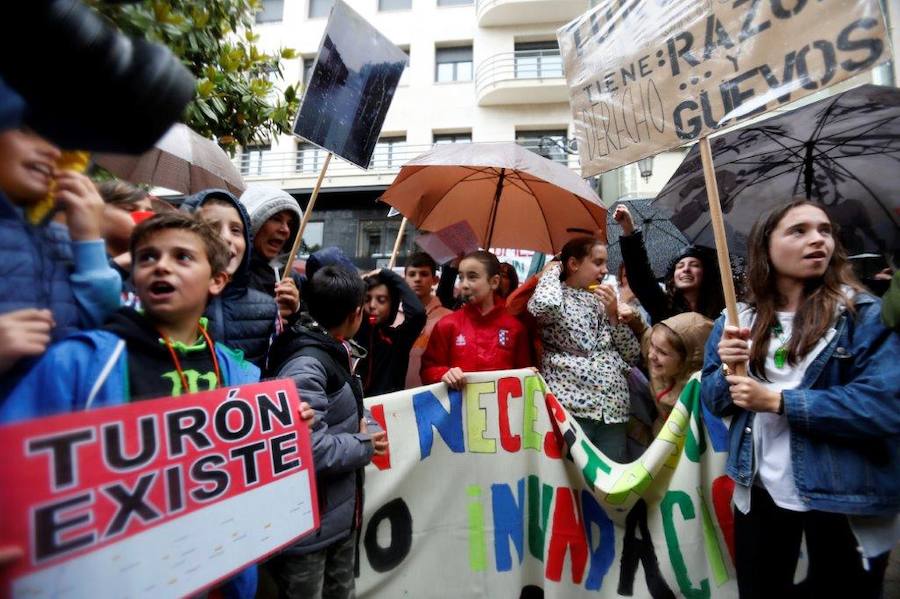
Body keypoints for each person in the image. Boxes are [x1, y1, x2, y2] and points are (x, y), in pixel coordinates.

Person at [1, 211, 262, 597]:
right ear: (134, 276)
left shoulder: (242, 376)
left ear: (218, 280)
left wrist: (290, 426)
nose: (161, 267)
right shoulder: (77, 363)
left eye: (182, 257)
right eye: (148, 257)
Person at [701, 199, 900, 598]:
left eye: (825, 230)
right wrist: (727, 368)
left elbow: (885, 406)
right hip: (758, 491)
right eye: (799, 231)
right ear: (765, 246)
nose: (818, 240)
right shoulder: (737, 319)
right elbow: (714, 400)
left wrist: (778, 401)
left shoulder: (862, 315)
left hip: (842, 495)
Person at [264, 265, 387, 599]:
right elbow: (305, 447)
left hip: (335, 517)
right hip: (308, 527)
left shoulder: (333, 349)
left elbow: (349, 410)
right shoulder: (308, 365)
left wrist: (368, 428)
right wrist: (365, 444)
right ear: (356, 313)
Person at [0, 127, 121, 399]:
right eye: (26, 131)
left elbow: (107, 336)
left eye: (57, 139)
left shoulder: (68, 238)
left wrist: (89, 240)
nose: (54, 151)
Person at [526, 237, 640, 462]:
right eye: (597, 262)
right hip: (572, 411)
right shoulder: (556, 296)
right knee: (572, 488)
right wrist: (552, 269)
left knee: (612, 488)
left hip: (612, 411)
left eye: (605, 263)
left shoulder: (604, 301)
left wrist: (613, 314)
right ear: (574, 264)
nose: (605, 270)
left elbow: (632, 355)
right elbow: (543, 307)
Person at [183, 189, 279, 369]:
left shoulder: (268, 309)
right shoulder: (167, 300)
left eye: (236, 230)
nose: (226, 237)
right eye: (211, 227)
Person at [421, 250, 531, 388]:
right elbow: (427, 371)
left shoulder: (515, 328)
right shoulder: (447, 324)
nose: (464, 285)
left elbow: (525, 378)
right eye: (461, 277)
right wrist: (443, 374)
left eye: (472, 277)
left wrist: (529, 374)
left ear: (494, 282)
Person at [613, 203, 725, 324]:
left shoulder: (721, 312)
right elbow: (641, 278)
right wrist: (630, 231)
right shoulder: (664, 306)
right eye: (680, 266)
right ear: (673, 276)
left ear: (704, 273)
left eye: (694, 265)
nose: (686, 269)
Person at [354, 268, 425, 395]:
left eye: (381, 300)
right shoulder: (350, 335)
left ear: (392, 305)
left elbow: (417, 313)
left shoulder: (398, 339)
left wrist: (386, 273)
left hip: (388, 411)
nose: (372, 306)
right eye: (367, 299)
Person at [239, 185, 303, 320]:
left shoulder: (291, 278)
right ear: (251, 222)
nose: (285, 230)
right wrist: (267, 317)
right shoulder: (232, 273)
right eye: (276, 219)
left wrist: (296, 308)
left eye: (290, 224)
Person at [643, 312, 712, 434]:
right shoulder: (656, 350)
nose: (651, 355)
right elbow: (644, 334)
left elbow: (727, 374)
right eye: (652, 345)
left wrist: (728, 368)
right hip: (661, 438)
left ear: (686, 360)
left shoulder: (704, 385)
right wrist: (634, 320)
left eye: (662, 353)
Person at [404, 252, 452, 388]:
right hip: (395, 397)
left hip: (435, 395)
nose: (418, 279)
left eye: (424, 274)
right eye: (412, 274)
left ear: (435, 280)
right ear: (404, 279)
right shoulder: (392, 317)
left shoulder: (448, 318)